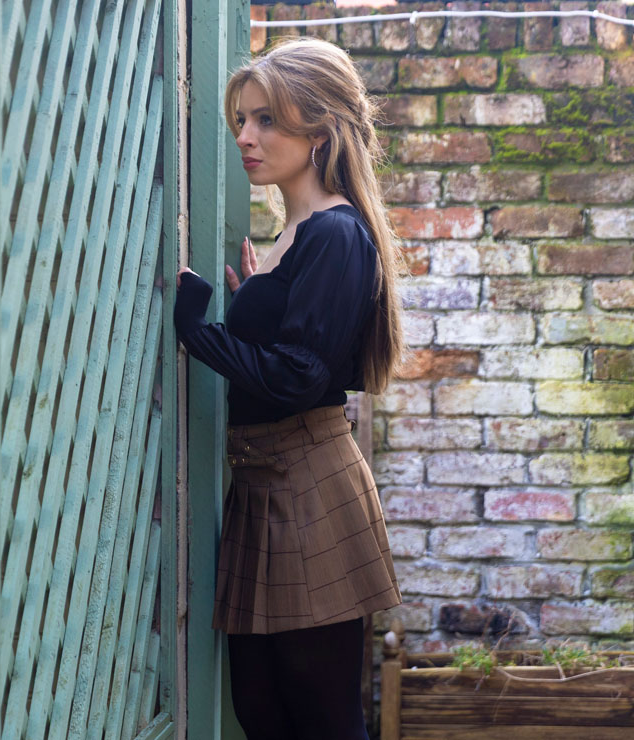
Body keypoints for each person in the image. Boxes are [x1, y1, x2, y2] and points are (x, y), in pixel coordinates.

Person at [173, 36, 403, 740]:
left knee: (324, 720)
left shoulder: (336, 232)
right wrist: (260, 297)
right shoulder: (297, 233)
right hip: (264, 483)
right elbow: (293, 344)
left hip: (306, 484)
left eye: (267, 119)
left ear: (320, 129)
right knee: (262, 712)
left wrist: (198, 333)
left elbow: (301, 376)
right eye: (243, 119)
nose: (245, 136)